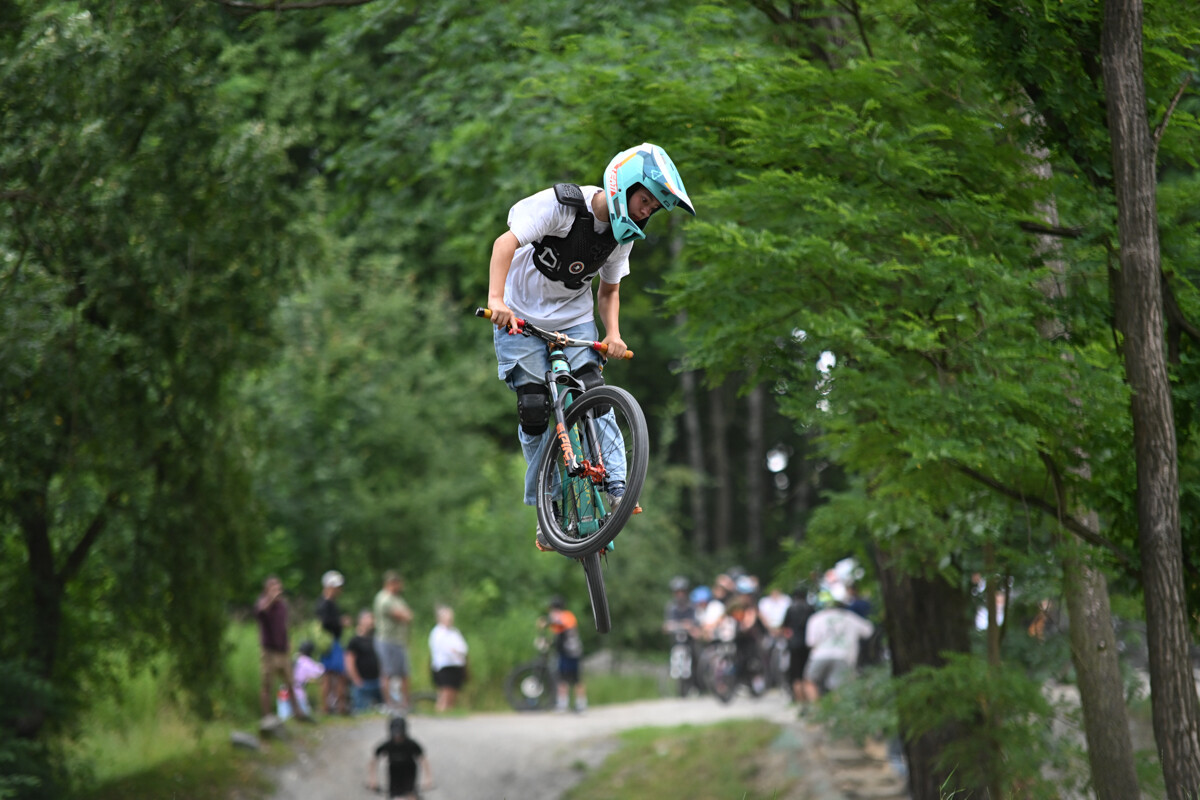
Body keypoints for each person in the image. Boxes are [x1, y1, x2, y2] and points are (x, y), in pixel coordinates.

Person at [485, 144, 695, 550]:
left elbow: (609, 291)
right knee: (533, 407)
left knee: (595, 394)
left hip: (573, 319)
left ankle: (619, 487)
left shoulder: (621, 238)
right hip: (519, 314)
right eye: (645, 200)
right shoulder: (561, 206)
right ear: (624, 185)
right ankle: (549, 507)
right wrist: (497, 301)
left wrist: (612, 334)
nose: (646, 211)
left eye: (653, 208)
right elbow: (503, 245)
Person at [801, 585, 875, 705]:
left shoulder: (815, 618)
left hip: (820, 654)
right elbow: (868, 631)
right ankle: (837, 715)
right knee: (839, 688)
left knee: (810, 682)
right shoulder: (850, 617)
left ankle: (817, 711)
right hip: (844, 655)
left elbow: (810, 642)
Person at [255, 576, 305, 726]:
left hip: (282, 650)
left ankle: (297, 712)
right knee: (267, 683)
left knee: (290, 682)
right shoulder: (263, 604)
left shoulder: (283, 606)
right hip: (269, 651)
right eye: (274, 589)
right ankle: (267, 716)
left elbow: (284, 625)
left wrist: (288, 641)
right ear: (267, 590)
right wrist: (270, 599)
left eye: (279, 588)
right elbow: (260, 613)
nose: (278, 592)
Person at [373, 570, 414, 711]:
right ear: (391, 583)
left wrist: (406, 614)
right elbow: (403, 616)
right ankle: (389, 704)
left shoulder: (398, 599)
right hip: (387, 640)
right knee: (387, 673)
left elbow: (409, 615)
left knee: (404, 673)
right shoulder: (383, 598)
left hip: (399, 641)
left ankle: (405, 704)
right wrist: (405, 614)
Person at [367, 716, 433, 799]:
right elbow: (374, 759)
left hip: (409, 772)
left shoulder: (411, 744)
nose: (397, 737)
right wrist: (372, 779)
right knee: (393, 796)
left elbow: (423, 760)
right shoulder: (388, 744)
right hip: (394, 772)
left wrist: (428, 778)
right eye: (395, 734)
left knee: (411, 795)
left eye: (400, 734)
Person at [540, 596, 586, 712]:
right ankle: (562, 704)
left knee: (576, 679)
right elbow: (558, 636)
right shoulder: (558, 619)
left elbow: (562, 624)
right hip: (562, 653)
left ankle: (581, 703)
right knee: (562, 678)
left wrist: (547, 621)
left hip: (573, 653)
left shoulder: (567, 616)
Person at [316, 569, 349, 714]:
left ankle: (332, 706)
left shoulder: (326, 603)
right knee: (334, 675)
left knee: (330, 675)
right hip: (331, 643)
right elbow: (325, 623)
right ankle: (334, 706)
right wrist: (341, 623)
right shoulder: (325, 604)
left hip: (331, 643)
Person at [428, 605, 469, 712]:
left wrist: (455, 651)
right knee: (445, 691)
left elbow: (463, 648)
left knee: (453, 690)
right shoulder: (437, 633)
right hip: (444, 665)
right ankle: (441, 710)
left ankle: (449, 711)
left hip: (456, 665)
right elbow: (444, 649)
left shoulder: (454, 632)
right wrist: (454, 651)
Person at [346, 610, 384, 713]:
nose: (372, 621)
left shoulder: (375, 639)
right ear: (361, 621)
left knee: (380, 709)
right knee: (362, 711)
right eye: (369, 618)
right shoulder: (354, 641)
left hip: (376, 681)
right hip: (362, 683)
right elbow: (349, 661)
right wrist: (356, 679)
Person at [292, 641, 324, 718]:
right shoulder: (307, 662)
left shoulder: (296, 659)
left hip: (285, 691)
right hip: (298, 692)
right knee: (305, 713)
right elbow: (319, 671)